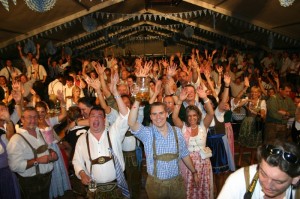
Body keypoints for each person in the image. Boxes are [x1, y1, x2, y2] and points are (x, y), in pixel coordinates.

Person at [72, 73, 130, 199]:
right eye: (93, 116)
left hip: (117, 186)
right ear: (88, 118)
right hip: (94, 189)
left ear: (104, 120)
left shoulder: (114, 133)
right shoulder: (82, 139)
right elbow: (77, 161)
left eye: (99, 116)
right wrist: (81, 173)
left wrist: (115, 92)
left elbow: (125, 116)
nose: (96, 119)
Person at [218, 140, 300, 199]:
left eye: (278, 181)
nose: (267, 185)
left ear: (295, 179)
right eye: (263, 174)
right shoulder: (238, 181)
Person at [172, 86, 214, 199]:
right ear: (186, 117)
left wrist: (205, 98)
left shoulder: (203, 126)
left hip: (203, 163)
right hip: (187, 163)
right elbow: (174, 116)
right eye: (189, 116)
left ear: (198, 116)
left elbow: (210, 113)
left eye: (194, 115)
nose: (192, 118)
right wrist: (180, 101)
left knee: (202, 189)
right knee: (188, 191)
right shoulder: (183, 127)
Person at [7, 107, 58, 199]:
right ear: (22, 119)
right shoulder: (16, 140)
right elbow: (14, 166)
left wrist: (52, 152)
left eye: (35, 117)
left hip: (46, 179)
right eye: (29, 117)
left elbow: (47, 147)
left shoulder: (39, 132)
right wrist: (37, 161)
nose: (33, 120)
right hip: (31, 183)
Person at [35, 90, 71, 198]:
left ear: (46, 111)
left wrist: (62, 101)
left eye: (42, 111)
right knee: (47, 174)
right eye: (38, 112)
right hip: (42, 151)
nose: (40, 114)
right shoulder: (33, 124)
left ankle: (58, 192)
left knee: (57, 171)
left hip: (54, 149)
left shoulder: (50, 121)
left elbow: (64, 114)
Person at [238, 86, 266, 165]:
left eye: (256, 92)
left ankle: (251, 161)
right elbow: (239, 105)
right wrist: (249, 99)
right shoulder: (247, 100)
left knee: (254, 144)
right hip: (246, 123)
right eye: (252, 92)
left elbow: (263, 115)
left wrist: (254, 112)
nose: (254, 93)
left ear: (259, 93)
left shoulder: (262, 102)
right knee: (242, 143)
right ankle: (239, 161)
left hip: (256, 123)